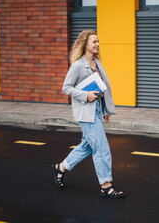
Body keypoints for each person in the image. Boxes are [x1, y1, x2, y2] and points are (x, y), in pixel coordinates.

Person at [52, 30, 125, 198]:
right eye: (94, 42)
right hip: (86, 112)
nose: (97, 44)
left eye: (98, 41)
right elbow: (66, 88)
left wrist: (105, 109)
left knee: (87, 146)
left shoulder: (97, 63)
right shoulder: (78, 65)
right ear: (85, 45)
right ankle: (105, 185)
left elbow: (103, 87)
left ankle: (61, 167)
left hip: (96, 110)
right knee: (101, 148)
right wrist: (85, 95)